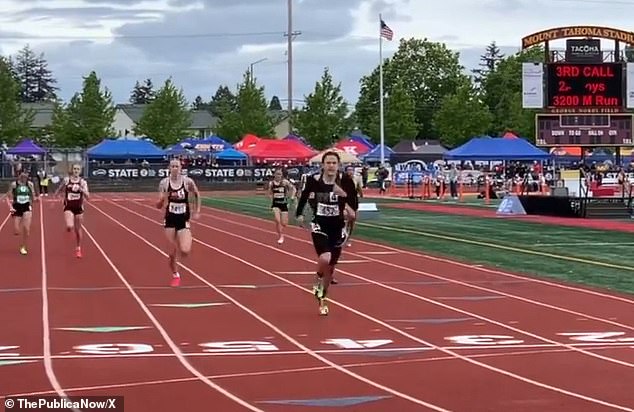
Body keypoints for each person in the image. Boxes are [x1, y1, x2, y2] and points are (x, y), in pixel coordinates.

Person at [295, 151, 356, 316]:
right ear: (322, 165)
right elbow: (304, 196)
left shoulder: (345, 182)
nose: (331, 166)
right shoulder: (314, 180)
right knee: (324, 258)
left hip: (337, 227)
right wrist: (299, 214)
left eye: (334, 163)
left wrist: (350, 212)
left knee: (331, 269)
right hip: (319, 224)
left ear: (338, 165)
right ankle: (317, 277)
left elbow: (351, 204)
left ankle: (323, 298)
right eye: (328, 163)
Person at [156, 159, 201, 287]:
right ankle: (175, 274)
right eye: (173, 166)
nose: (175, 168)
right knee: (171, 252)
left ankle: (184, 243)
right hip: (170, 220)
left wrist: (197, 210)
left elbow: (197, 194)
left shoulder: (187, 182)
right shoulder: (164, 183)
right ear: (169, 168)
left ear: (181, 168)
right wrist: (163, 199)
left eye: (177, 166)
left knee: (185, 251)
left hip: (183, 219)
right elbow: (158, 205)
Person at [55, 164, 90, 258]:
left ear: (80, 171)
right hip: (68, 206)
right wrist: (57, 195)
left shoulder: (83, 182)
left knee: (78, 230)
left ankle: (78, 248)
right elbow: (60, 188)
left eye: (78, 169)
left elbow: (88, 197)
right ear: (72, 170)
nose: (76, 171)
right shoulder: (67, 180)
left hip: (79, 208)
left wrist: (81, 189)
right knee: (70, 226)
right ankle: (68, 227)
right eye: (74, 169)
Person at [5, 170, 37, 255]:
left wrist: (35, 199)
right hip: (17, 207)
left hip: (27, 207)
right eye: (22, 174)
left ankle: (23, 246)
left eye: (26, 175)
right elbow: (7, 197)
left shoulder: (30, 184)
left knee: (26, 228)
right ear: (19, 175)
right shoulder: (14, 185)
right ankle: (17, 230)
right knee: (16, 231)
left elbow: (33, 197)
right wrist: (11, 207)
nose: (24, 176)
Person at [268, 168, 296, 244]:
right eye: (277, 174)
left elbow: (293, 189)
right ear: (274, 175)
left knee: (284, 223)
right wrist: (271, 201)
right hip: (275, 204)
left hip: (283, 204)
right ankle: (281, 236)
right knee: (277, 220)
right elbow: (270, 193)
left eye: (280, 174)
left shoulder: (285, 182)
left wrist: (292, 197)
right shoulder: (271, 183)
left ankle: (281, 229)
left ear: (282, 175)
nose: (278, 176)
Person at [343, 165, 363, 247]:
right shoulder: (342, 179)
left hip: (353, 201)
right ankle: (342, 236)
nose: (350, 171)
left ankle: (348, 238)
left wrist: (361, 194)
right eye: (349, 170)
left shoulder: (357, 178)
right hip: (344, 200)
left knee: (352, 221)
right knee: (344, 219)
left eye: (352, 170)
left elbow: (359, 188)